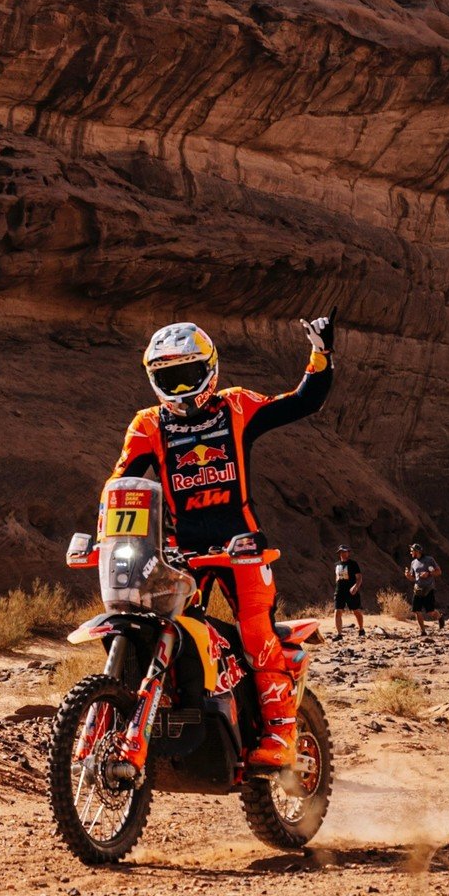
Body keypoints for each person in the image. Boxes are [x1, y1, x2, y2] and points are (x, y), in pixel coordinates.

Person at [105, 312, 336, 771]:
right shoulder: (147, 425)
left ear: (209, 369)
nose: (180, 385)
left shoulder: (236, 406)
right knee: (166, 634)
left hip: (241, 545)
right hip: (178, 550)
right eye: (168, 377)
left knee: (255, 632)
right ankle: (175, 719)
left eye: (188, 373)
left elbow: (300, 403)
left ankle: (278, 733)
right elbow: (121, 484)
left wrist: (321, 354)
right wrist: (107, 537)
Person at [404, 542, 445, 635]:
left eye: (412, 551)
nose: (410, 553)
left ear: (417, 551)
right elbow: (413, 578)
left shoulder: (429, 560)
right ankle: (422, 631)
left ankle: (439, 617)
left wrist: (429, 574)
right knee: (416, 611)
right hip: (417, 589)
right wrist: (407, 576)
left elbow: (439, 572)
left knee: (430, 612)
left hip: (428, 589)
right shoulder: (413, 563)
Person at [333, 545, 364, 639]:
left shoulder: (353, 564)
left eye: (345, 551)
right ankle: (339, 634)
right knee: (337, 611)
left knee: (356, 611)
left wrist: (356, 586)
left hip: (351, 592)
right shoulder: (336, 564)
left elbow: (359, 578)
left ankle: (361, 629)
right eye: (341, 552)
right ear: (339, 553)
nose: (343, 553)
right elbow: (337, 577)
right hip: (339, 591)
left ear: (348, 553)